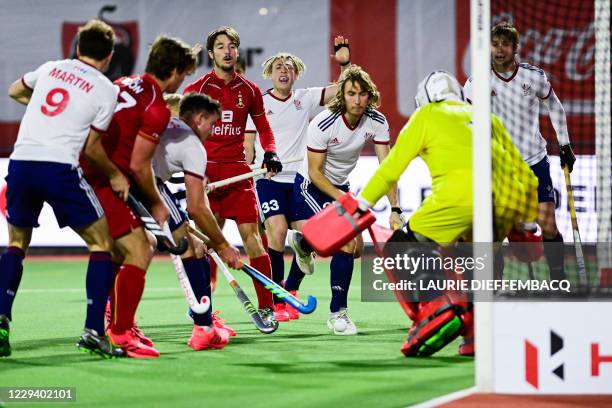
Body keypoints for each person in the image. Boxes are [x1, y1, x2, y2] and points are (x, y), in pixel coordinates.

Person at [356, 70, 539, 356]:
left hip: (460, 196)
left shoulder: (427, 114)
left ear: (425, 99)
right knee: (478, 258)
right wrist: (527, 225)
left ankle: (437, 307)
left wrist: (360, 205)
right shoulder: (487, 118)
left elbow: (391, 168)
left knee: (401, 245)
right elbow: (527, 177)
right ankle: (475, 337)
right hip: (507, 200)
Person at [0, 19, 129, 358]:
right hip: (58, 168)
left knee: (16, 243)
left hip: (22, 162)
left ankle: (0, 321)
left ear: (76, 47)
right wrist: (116, 175)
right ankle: (92, 331)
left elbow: (14, 90)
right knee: (102, 244)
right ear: (110, 55)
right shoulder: (106, 89)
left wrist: (48, 114)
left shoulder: (53, 68)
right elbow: (92, 149)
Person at [81, 35, 197, 358]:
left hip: (93, 169)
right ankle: (119, 333)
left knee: (122, 252)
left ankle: (118, 325)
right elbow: (139, 164)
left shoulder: (122, 82)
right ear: (173, 71)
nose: (182, 81)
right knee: (140, 249)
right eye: (183, 74)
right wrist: (158, 203)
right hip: (103, 176)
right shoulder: (156, 107)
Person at [243, 36, 352, 321]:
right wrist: (248, 171)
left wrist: (344, 63)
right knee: (277, 232)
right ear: (270, 73)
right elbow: (248, 145)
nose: (284, 70)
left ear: (296, 74)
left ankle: (293, 284)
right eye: (279, 66)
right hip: (268, 179)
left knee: (317, 236)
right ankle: (278, 297)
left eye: (289, 67)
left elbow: (341, 91)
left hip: (300, 180)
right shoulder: (259, 103)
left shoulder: (304, 98)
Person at [288, 65, 402, 335]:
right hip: (310, 186)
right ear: (343, 95)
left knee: (357, 249)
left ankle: (299, 256)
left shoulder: (377, 121)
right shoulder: (324, 123)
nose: (358, 99)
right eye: (351, 93)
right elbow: (315, 173)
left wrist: (395, 208)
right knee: (346, 241)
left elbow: (388, 169)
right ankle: (337, 314)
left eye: (363, 94)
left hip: (340, 187)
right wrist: (343, 199)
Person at [183, 26, 282, 326]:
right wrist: (192, 171)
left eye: (232, 46)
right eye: (221, 46)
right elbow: (184, 134)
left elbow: (264, 128)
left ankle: (267, 307)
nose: (227, 51)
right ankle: (204, 309)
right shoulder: (196, 90)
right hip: (206, 173)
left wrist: (271, 152)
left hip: (238, 173)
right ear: (211, 53)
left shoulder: (250, 90)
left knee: (254, 241)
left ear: (237, 52)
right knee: (206, 245)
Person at [464, 21, 576, 280]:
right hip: (499, 167)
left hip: (535, 162)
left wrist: (565, 144)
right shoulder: (476, 83)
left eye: (505, 44)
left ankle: (558, 279)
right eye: (495, 44)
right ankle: (494, 285)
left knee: (548, 226)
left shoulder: (533, 76)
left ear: (515, 48)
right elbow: (466, 121)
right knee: (493, 235)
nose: (499, 49)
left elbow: (555, 107)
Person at [153, 92, 242, 350]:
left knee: (134, 249)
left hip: (123, 177)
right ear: (200, 118)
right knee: (190, 247)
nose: (214, 131)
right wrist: (224, 245)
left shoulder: (167, 123)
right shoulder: (192, 144)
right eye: (213, 124)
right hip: (146, 184)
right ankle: (203, 328)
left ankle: (204, 322)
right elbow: (198, 208)